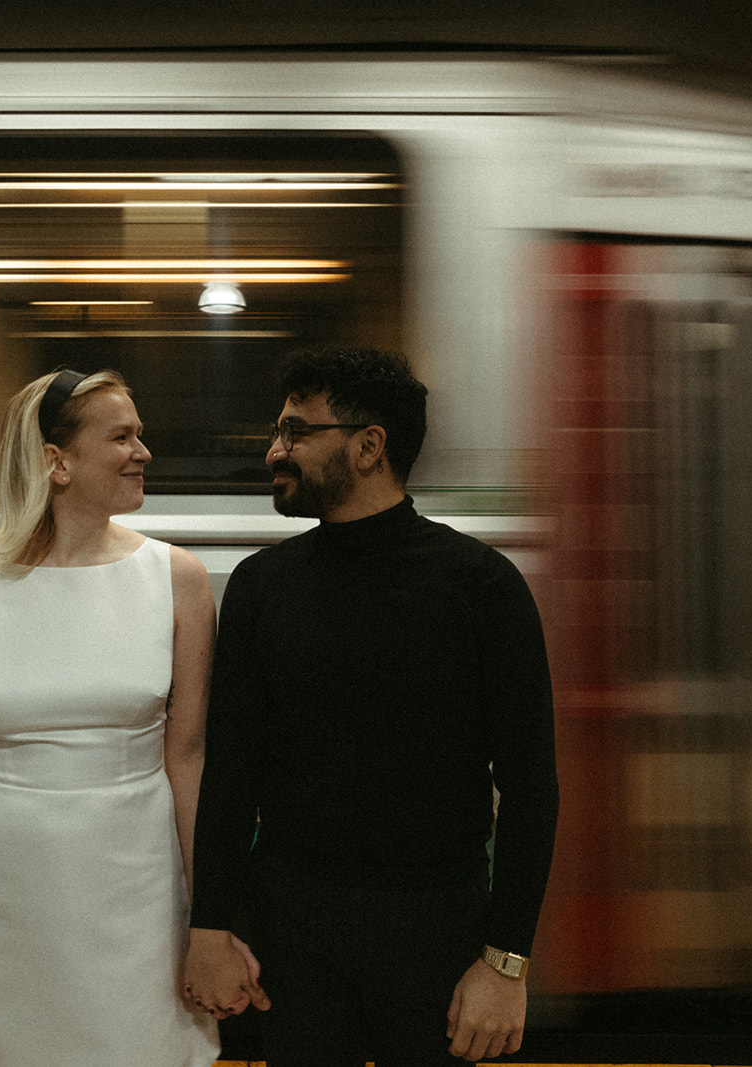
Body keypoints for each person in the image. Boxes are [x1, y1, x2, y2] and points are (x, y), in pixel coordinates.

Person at [183, 346, 559, 1065]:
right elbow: (231, 771)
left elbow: (532, 785)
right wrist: (210, 927)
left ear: (368, 445)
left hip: (438, 931)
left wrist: (505, 962)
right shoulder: (262, 587)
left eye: (296, 432)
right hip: (294, 929)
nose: (274, 450)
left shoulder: (483, 588)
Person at [0, 368, 221, 1067]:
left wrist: (210, 919)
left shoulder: (179, 580)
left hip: (136, 895)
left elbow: (186, 758)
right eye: (122, 436)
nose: (143, 451)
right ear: (56, 461)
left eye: (141, 435)